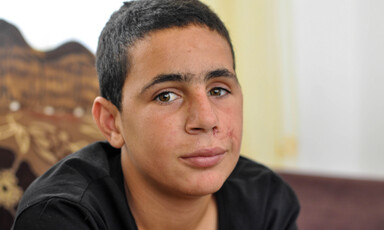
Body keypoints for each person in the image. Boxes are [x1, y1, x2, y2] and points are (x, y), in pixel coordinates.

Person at [12, 0, 300, 229]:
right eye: (166, 96)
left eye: (218, 90)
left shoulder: (267, 201)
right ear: (112, 122)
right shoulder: (61, 217)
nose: (207, 119)